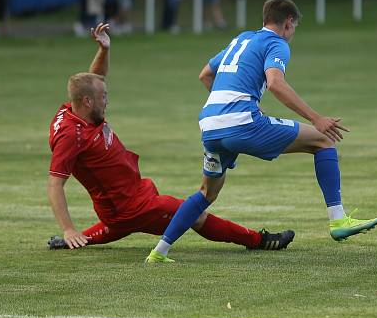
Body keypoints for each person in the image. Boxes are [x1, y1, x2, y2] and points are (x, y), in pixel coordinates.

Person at [146, 0, 377, 263]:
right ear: (288, 22)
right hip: (242, 122)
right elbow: (276, 84)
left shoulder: (241, 39)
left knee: (206, 193)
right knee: (323, 140)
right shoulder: (275, 43)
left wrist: (229, 107)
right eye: (294, 28)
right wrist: (316, 118)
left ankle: (160, 251)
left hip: (209, 125)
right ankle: (338, 221)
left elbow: (205, 75)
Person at [47, 23, 295, 253]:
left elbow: (95, 82)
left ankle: (79, 241)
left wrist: (104, 49)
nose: (107, 101)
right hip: (128, 206)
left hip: (130, 197)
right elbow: (55, 184)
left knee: (122, 224)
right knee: (195, 215)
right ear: (87, 102)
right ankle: (260, 240)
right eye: (103, 97)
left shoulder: (78, 108)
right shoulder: (71, 135)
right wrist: (68, 228)